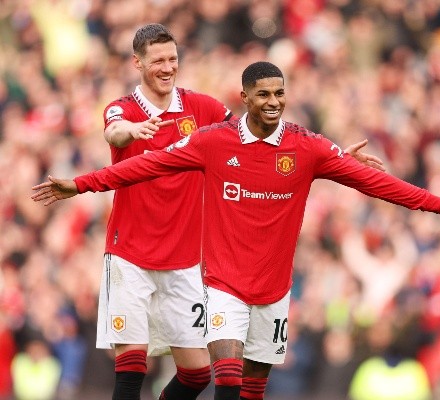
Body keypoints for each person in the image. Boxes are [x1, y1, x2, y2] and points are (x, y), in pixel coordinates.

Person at [32, 61, 440, 400]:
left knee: (253, 387)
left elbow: (376, 183)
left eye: (279, 94)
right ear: (245, 97)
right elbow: (145, 166)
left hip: (273, 290)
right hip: (222, 285)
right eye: (264, 94)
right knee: (225, 378)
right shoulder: (214, 141)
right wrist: (81, 184)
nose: (273, 102)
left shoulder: (306, 147)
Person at [92, 24, 384, 400]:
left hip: (184, 261)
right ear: (137, 62)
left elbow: (258, 130)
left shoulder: (203, 108)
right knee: (132, 366)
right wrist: (130, 130)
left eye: (172, 59)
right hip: (130, 253)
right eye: (157, 61)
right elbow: (113, 132)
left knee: (198, 375)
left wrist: (334, 156)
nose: (166, 67)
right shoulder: (123, 109)